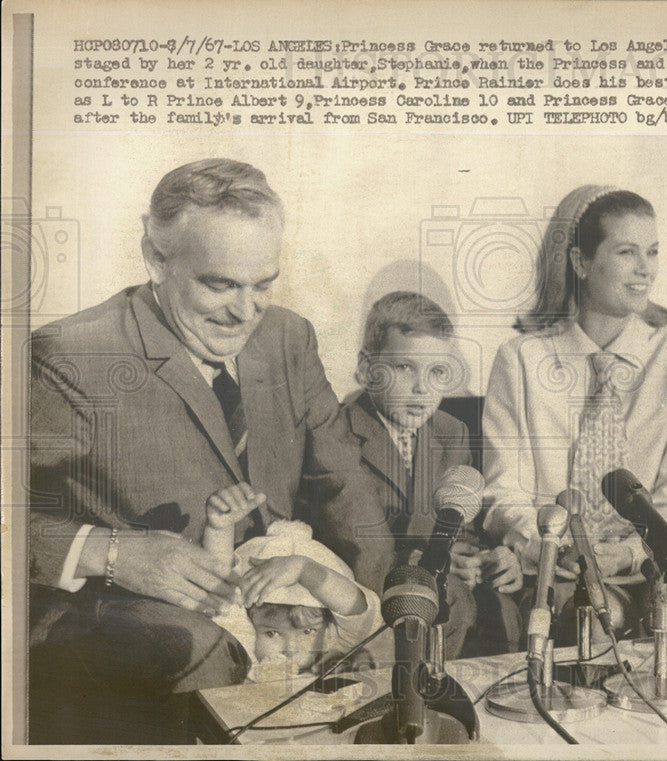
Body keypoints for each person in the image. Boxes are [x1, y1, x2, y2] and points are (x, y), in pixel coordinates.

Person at [28, 158, 392, 744]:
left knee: (426, 607)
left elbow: (345, 485)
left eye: (263, 284)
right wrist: (114, 552)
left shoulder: (288, 336)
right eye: (219, 284)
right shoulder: (69, 357)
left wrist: (377, 617)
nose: (246, 311)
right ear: (156, 257)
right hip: (144, 613)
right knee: (204, 649)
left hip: (288, 599)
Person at [481, 186, 667, 641]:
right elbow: (502, 490)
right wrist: (552, 549)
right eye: (627, 252)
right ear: (581, 262)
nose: (645, 268)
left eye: (651, 252)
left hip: (648, 572)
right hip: (547, 573)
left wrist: (623, 555)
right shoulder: (522, 359)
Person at [343, 291, 522, 657]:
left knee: (503, 609)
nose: (423, 388)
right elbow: (350, 542)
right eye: (404, 368)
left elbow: (464, 525)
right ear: (366, 368)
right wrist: (427, 561)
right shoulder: (339, 433)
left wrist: (488, 558)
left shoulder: (450, 431)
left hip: (442, 581)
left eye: (437, 372)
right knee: (448, 601)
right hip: (378, 582)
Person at [203, 484, 381, 681]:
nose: (291, 649)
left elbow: (359, 611)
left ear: (327, 629)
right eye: (272, 633)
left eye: (307, 632)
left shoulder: (333, 646)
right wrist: (220, 530)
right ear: (250, 625)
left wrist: (304, 570)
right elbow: (222, 600)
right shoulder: (249, 654)